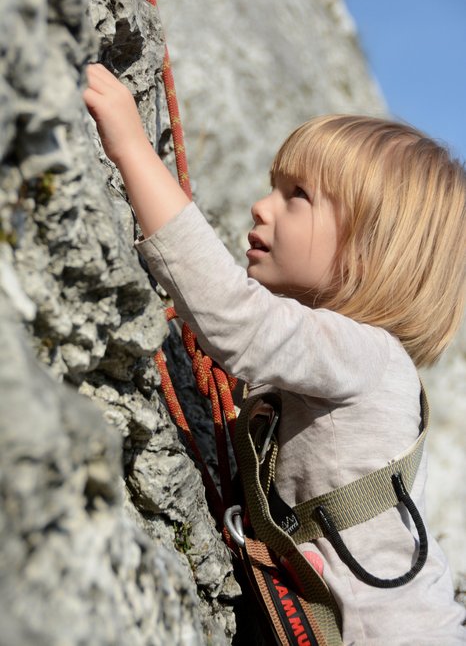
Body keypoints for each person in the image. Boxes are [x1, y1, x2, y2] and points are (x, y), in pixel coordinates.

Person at [83, 62, 466, 644]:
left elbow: (233, 316)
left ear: (367, 251)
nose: (262, 207)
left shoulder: (365, 355)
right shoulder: (348, 359)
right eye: (273, 187)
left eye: (297, 196)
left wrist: (131, 147)